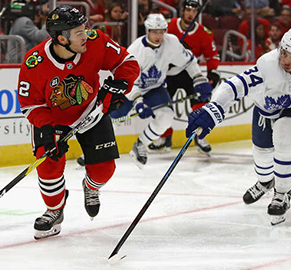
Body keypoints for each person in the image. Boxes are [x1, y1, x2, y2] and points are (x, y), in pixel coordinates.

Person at [185, 24, 291, 225]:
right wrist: (214, 108)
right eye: (284, 53)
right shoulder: (268, 64)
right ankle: (265, 181)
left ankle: (282, 193)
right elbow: (236, 85)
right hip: (267, 107)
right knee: (262, 154)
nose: (286, 60)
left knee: (285, 131)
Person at [16, 5, 139, 239]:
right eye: (79, 32)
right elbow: (29, 104)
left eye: (85, 29)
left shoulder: (95, 41)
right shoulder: (35, 62)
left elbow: (128, 62)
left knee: (104, 170)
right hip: (52, 121)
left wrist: (121, 84)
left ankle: (91, 187)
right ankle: (54, 210)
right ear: (62, 38)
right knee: (48, 165)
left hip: (90, 112)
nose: (87, 35)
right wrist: (47, 129)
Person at [118, 13, 212, 168]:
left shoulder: (171, 42)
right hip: (131, 89)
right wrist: (139, 101)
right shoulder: (135, 50)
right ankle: (91, 153)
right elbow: (127, 81)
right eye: (155, 32)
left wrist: (198, 78)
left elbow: (189, 61)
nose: (158, 36)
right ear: (147, 31)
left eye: (161, 31)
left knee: (166, 117)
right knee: (112, 118)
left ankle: (140, 144)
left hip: (155, 87)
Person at [149, 0, 219, 154]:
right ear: (182, 11)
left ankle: (200, 137)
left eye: (194, 11)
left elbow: (212, 56)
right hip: (168, 73)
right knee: (160, 104)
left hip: (189, 71)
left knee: (200, 102)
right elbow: (151, 43)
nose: (191, 14)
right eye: (188, 10)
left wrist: (212, 72)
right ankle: (165, 138)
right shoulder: (167, 26)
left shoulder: (204, 33)